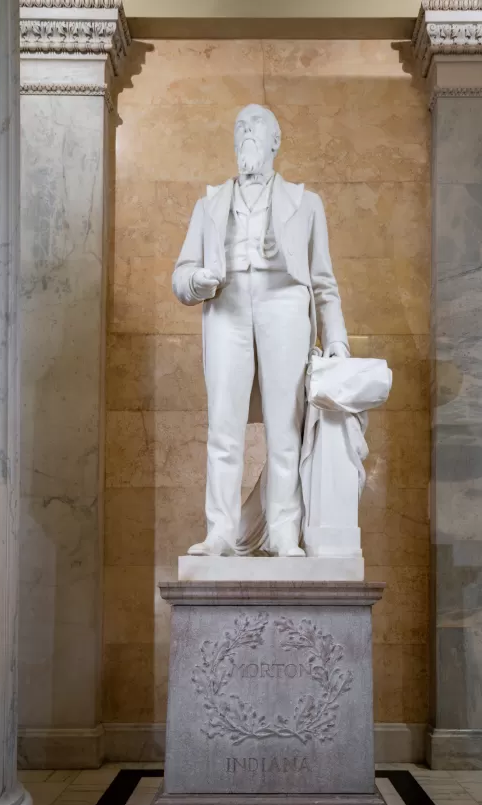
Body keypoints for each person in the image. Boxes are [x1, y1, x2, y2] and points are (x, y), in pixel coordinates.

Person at [173, 104, 349, 557]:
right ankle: (221, 532)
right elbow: (181, 275)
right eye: (240, 127)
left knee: (285, 426)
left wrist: (337, 342)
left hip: (284, 305)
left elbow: (324, 282)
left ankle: (285, 531)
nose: (247, 132)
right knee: (223, 426)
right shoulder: (209, 204)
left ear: (275, 141)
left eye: (257, 127)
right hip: (227, 306)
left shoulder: (306, 203)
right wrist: (197, 281)